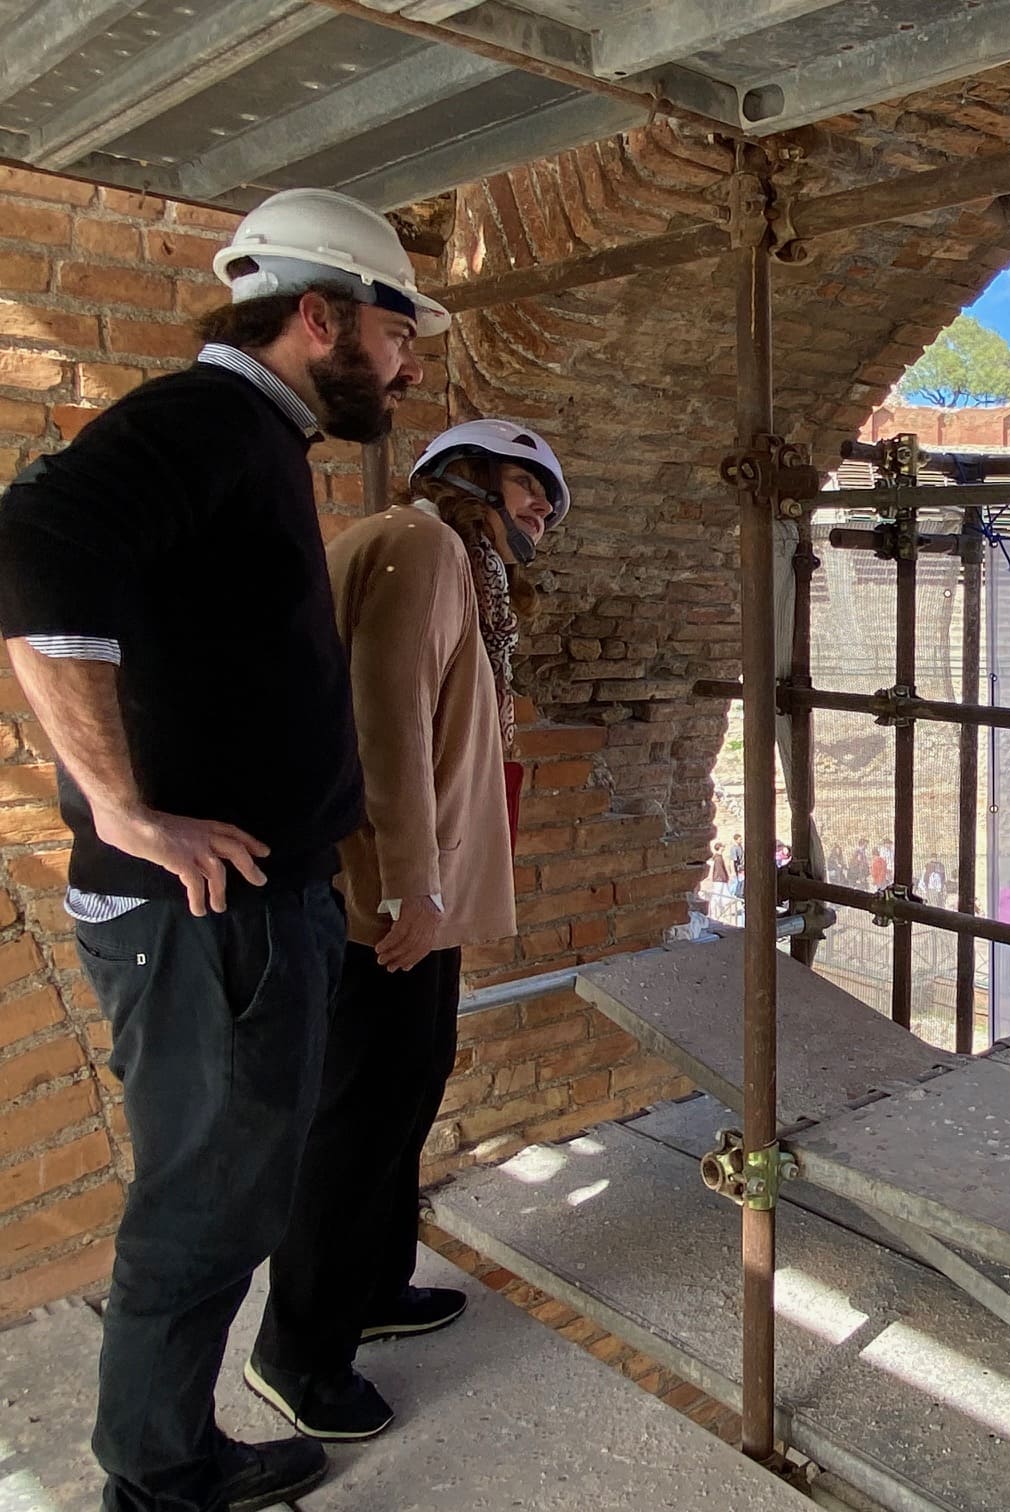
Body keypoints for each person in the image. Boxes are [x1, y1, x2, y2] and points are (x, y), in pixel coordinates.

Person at [0, 186, 440, 1512]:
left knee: (233, 1193)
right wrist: (123, 809)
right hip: (205, 915)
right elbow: (26, 551)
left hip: (250, 907)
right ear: (323, 315)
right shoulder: (207, 419)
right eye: (398, 333)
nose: (410, 364)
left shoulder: (252, 437)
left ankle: (164, 1450)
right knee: (208, 1203)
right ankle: (161, 1476)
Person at [246, 418, 569, 1441]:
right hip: (381, 903)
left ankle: (371, 1288)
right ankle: (295, 1353)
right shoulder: (425, 544)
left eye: (550, 506)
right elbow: (383, 715)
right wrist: (406, 888)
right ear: (469, 474)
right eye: (531, 490)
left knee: (404, 1089)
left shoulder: (441, 557)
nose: (542, 516)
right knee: (356, 1117)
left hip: (405, 898)